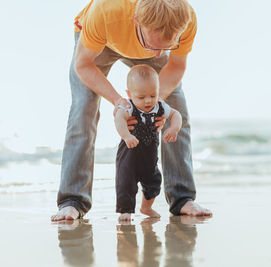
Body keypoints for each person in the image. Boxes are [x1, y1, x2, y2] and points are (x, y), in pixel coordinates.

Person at [51, 0, 212, 221]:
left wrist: (155, 104)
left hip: (141, 37)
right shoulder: (107, 11)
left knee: (175, 104)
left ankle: (182, 198)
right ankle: (72, 201)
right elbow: (83, 64)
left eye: (166, 46)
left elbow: (175, 66)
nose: (158, 55)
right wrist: (119, 101)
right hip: (100, 42)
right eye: (154, 46)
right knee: (83, 107)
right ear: (137, 20)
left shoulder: (186, 19)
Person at [115, 64, 182, 221]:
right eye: (141, 97)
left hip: (149, 157)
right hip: (129, 156)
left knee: (154, 182)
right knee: (126, 183)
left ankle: (146, 207)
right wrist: (126, 136)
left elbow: (176, 114)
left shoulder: (160, 106)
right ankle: (125, 212)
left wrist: (174, 128)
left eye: (153, 95)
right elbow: (119, 118)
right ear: (129, 94)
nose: (148, 100)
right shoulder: (129, 107)